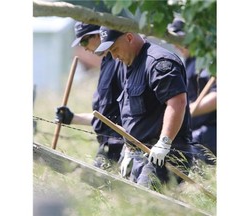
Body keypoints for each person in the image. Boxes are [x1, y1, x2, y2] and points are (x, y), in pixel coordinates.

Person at [94, 26, 196, 190]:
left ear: (129, 37)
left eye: (115, 49)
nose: (114, 56)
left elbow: (177, 103)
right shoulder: (129, 65)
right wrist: (128, 149)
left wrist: (164, 142)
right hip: (138, 155)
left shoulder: (158, 62)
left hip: (163, 156)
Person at [55, 22, 124, 170]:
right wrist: (72, 118)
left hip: (121, 148)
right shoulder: (107, 62)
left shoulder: (121, 62)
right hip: (106, 146)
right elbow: (105, 117)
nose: (84, 47)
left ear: (99, 35)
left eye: (84, 41)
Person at [167, 18, 217, 163]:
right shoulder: (186, 61)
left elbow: (218, 96)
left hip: (210, 130)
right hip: (195, 129)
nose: (176, 46)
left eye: (178, 40)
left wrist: (188, 109)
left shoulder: (207, 60)